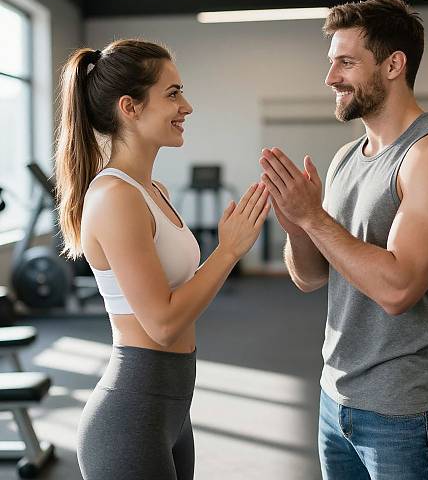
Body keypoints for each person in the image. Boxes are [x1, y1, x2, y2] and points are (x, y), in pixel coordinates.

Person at [259, 0, 428, 480]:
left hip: (407, 409)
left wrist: (314, 218)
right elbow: (311, 278)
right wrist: (297, 224)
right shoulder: (345, 158)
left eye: (346, 62)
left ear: (394, 64)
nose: (330, 77)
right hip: (335, 398)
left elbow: (398, 289)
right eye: (331, 62)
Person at [55, 39, 270, 480]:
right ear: (130, 107)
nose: (186, 106)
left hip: (171, 406)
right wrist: (228, 251)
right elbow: (163, 322)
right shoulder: (115, 196)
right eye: (173, 94)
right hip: (131, 414)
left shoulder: (153, 192)